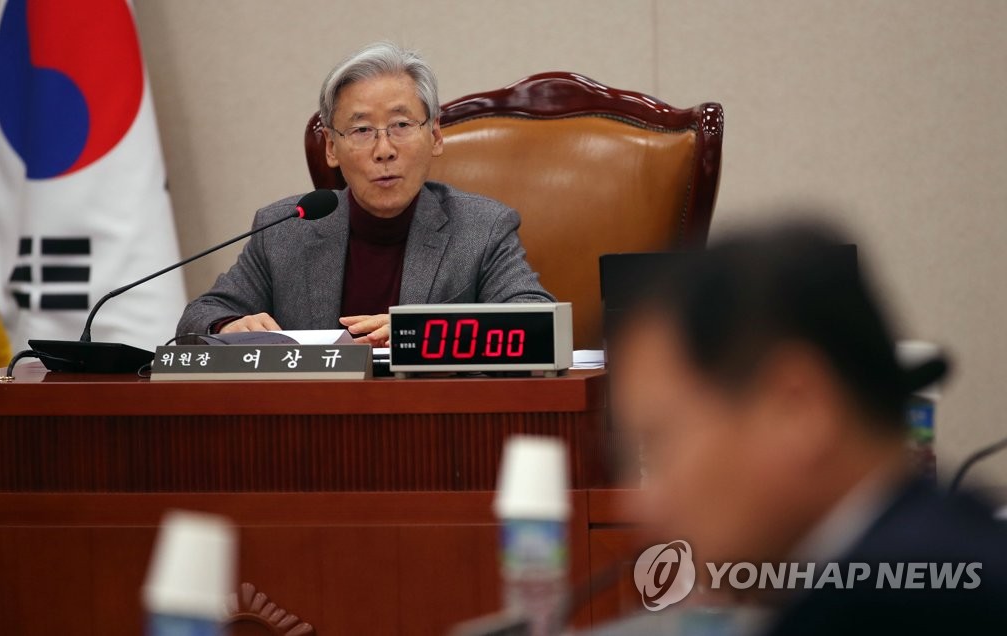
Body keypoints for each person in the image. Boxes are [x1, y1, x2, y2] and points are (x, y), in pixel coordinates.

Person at [606, 222, 1007, 634]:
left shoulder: (884, 613)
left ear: (799, 409)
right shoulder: (961, 552)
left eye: (659, 443)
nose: (641, 504)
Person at [176, 42, 553, 345]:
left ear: (435, 136)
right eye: (361, 131)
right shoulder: (284, 229)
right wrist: (226, 326)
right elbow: (200, 316)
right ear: (331, 148)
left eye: (401, 125)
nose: (384, 150)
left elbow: (537, 321)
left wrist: (422, 331)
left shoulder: (482, 228)